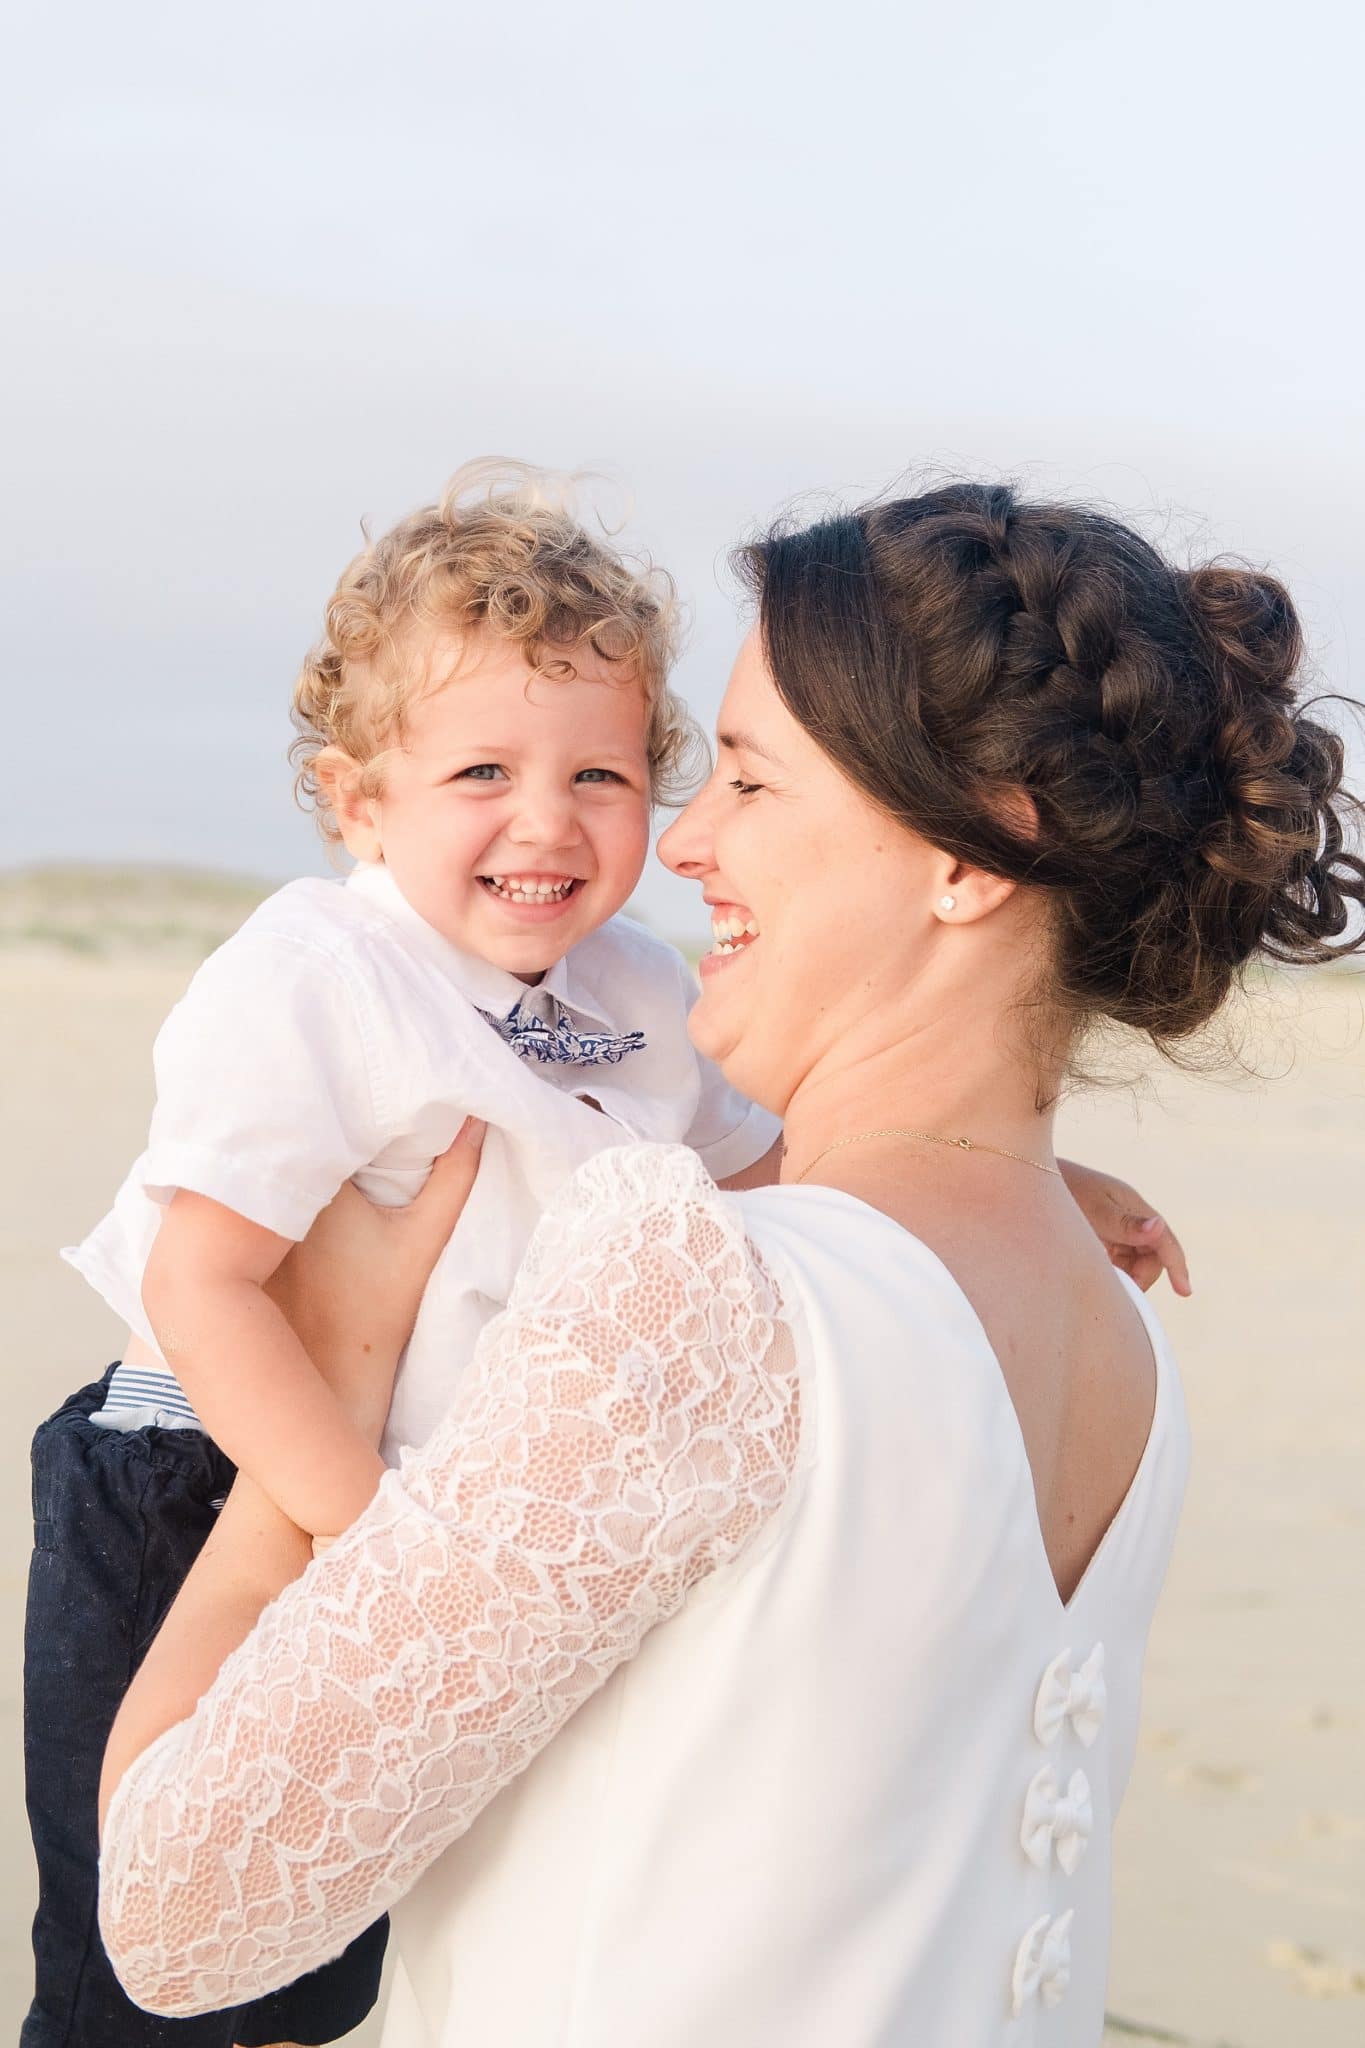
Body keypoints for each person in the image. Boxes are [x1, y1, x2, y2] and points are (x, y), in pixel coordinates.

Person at [94, 481, 1321, 2045]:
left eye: (746, 781)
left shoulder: (699, 1294)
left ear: (972, 855)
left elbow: (178, 1914)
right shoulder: (1123, 1340)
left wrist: (333, 1375)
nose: (681, 840)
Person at [26, 462, 788, 2048]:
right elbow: (201, 1282)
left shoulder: (641, 987)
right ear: (359, 801)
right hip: (215, 1471)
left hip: (458, 1499)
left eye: (601, 775)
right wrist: (370, 1538)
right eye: (481, 773)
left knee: (343, 1955)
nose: (547, 820)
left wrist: (1044, 1183)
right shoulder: (320, 972)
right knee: (162, 1963)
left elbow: (774, 1165)